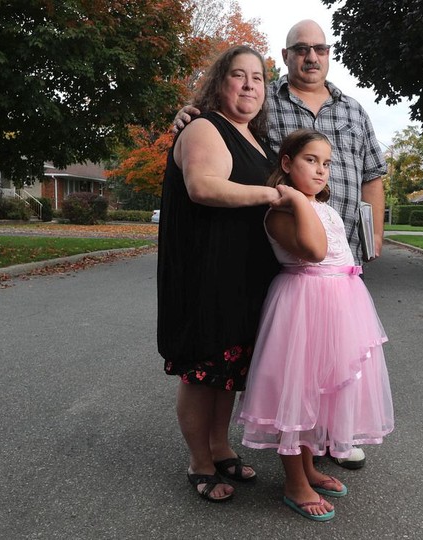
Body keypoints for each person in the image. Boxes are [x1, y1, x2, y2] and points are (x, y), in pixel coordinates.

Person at [173, 19, 388, 469]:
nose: (312, 56)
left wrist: (374, 236)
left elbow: (373, 175)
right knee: (279, 363)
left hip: (336, 248)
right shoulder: (259, 114)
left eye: (320, 48)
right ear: (287, 56)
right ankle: (215, 460)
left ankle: (333, 435)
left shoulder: (347, 111)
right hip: (283, 251)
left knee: (325, 357)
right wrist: (188, 112)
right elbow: (210, 169)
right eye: (301, 49)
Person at [237, 129, 394, 521]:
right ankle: (294, 482)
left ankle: (308, 468)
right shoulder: (282, 211)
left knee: (321, 390)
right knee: (300, 388)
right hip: (303, 306)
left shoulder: (319, 206)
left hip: (340, 305)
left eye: (327, 163)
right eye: (310, 160)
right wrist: (292, 196)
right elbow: (315, 250)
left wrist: (303, 198)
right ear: (287, 164)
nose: (322, 170)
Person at [157, 45, 283, 503]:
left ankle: (220, 446)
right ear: (219, 81)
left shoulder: (256, 139)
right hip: (206, 273)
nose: (250, 85)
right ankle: (200, 461)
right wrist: (272, 196)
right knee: (202, 369)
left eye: (258, 78)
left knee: (226, 371)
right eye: (238, 75)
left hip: (243, 276)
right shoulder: (206, 127)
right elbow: (203, 187)